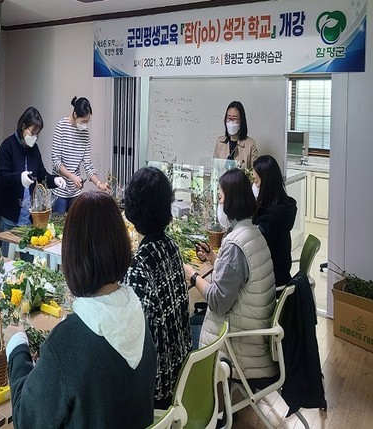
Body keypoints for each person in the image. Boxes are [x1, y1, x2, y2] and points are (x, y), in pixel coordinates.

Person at [5, 192, 156, 428]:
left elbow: (26, 419)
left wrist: (16, 346)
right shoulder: (136, 312)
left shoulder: (67, 342)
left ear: (72, 254)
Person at [184, 168, 277, 382]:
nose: (218, 203)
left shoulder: (236, 243)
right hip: (253, 334)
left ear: (232, 201)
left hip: (238, 348)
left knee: (182, 334)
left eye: (220, 197)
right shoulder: (252, 233)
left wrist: (192, 276)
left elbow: (218, 301)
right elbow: (239, 276)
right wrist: (215, 259)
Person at [123, 167, 191, 410]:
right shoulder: (171, 247)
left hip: (158, 388)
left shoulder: (139, 267)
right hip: (182, 371)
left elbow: (130, 340)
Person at [0, 106, 66, 239]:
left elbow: (41, 174)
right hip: (10, 215)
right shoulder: (7, 146)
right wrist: (19, 178)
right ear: (23, 127)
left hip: (30, 216)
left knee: (29, 258)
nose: (35, 137)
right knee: (8, 257)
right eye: (33, 132)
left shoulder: (34, 149)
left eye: (37, 134)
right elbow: (2, 177)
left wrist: (54, 180)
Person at [51, 96, 110, 213]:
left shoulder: (85, 133)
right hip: (60, 191)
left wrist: (99, 184)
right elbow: (56, 162)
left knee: (75, 228)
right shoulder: (61, 126)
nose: (85, 125)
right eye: (83, 121)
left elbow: (87, 164)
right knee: (58, 228)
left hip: (76, 192)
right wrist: (71, 176)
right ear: (75, 115)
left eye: (88, 121)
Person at [252, 155, 297, 286]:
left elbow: (254, 254)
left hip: (271, 283)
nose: (254, 186)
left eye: (255, 181)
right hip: (282, 274)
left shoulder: (269, 220)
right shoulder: (282, 208)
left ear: (266, 182)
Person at [213, 101, 258, 169]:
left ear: (241, 121)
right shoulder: (220, 142)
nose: (231, 122)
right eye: (229, 118)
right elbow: (215, 169)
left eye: (234, 119)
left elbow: (254, 174)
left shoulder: (250, 144)